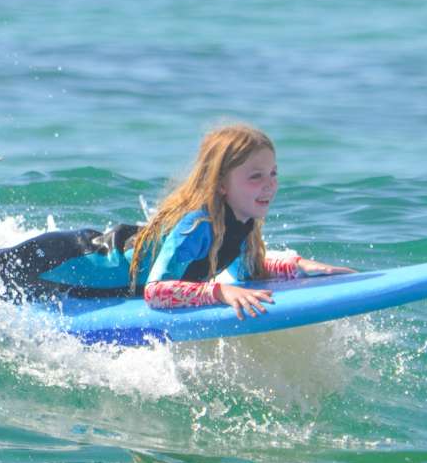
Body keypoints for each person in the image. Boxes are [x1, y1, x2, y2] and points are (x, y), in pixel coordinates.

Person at [127, 123, 353, 318]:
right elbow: (155, 292)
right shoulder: (196, 226)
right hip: (94, 270)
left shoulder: (240, 222)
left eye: (273, 173)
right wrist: (221, 292)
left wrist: (299, 267)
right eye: (256, 176)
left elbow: (248, 272)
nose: (270, 184)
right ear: (221, 184)